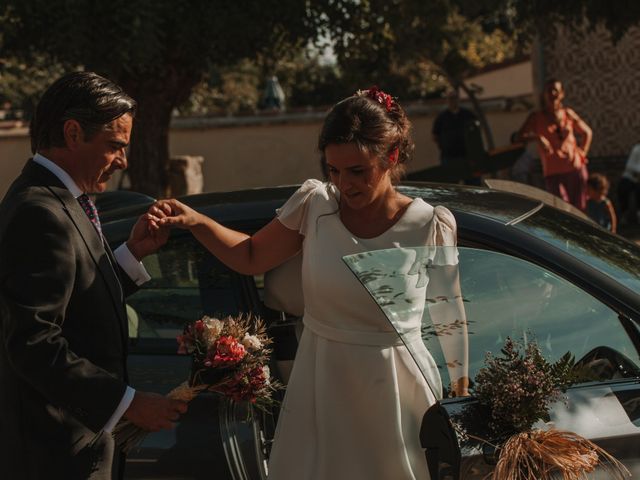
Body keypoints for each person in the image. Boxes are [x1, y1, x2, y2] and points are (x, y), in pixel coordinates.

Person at [149, 87, 469, 479]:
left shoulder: (430, 224)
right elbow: (250, 256)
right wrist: (197, 221)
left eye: (357, 171)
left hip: (397, 390)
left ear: (392, 157)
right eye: (333, 170)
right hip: (320, 383)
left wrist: (461, 398)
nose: (343, 184)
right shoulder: (315, 205)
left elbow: (449, 317)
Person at [0, 72, 188, 480]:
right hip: (53, 456)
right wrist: (128, 403)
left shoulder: (62, 199)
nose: (123, 161)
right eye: (115, 146)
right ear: (72, 133)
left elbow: (76, 303)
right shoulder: (39, 210)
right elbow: (33, 342)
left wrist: (132, 254)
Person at [515, 78, 593, 211]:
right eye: (548, 90)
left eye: (555, 90)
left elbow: (587, 132)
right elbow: (518, 137)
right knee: (561, 210)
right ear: (544, 95)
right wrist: (538, 137)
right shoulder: (536, 117)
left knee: (580, 211)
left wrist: (582, 152)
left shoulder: (568, 113)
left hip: (575, 168)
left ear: (562, 94)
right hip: (553, 172)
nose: (552, 93)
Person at [431, 89, 480, 185]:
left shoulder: (468, 115)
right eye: (450, 98)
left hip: (467, 156)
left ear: (458, 99)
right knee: (450, 186)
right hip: (449, 157)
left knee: (472, 185)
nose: (453, 100)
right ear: (447, 100)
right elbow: (435, 135)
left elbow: (476, 130)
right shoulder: (442, 117)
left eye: (455, 98)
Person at [617, 143, 640, 225]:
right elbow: (630, 166)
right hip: (630, 178)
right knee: (623, 189)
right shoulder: (637, 149)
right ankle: (624, 215)